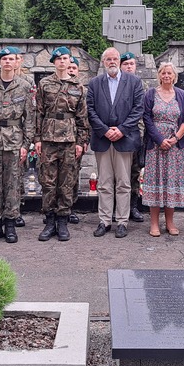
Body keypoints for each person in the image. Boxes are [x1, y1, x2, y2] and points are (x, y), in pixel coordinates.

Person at [0, 47, 35, 244]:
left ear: (16, 62)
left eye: (11, 59)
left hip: (15, 140)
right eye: (5, 59)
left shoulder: (24, 87)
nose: (8, 62)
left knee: (12, 184)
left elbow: (29, 118)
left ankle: (10, 224)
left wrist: (26, 144)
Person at [87, 47, 145, 239]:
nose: (112, 62)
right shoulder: (95, 83)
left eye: (115, 59)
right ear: (103, 62)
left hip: (124, 138)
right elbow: (90, 110)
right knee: (104, 183)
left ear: (119, 61)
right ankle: (104, 221)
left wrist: (121, 130)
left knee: (123, 183)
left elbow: (138, 109)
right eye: (108, 59)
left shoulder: (134, 82)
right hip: (103, 139)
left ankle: (122, 221)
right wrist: (105, 130)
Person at [36, 46, 89, 242]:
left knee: (67, 182)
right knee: (48, 182)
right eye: (58, 59)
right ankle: (50, 221)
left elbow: (82, 118)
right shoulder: (44, 84)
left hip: (69, 140)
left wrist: (81, 141)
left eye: (65, 58)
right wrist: (37, 139)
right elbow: (38, 113)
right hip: (49, 140)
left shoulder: (78, 87)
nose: (61, 62)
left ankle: (63, 220)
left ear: (70, 62)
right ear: (54, 63)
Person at [141, 62, 184, 236]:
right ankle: (154, 223)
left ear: (174, 76)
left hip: (175, 146)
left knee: (170, 183)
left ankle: (170, 222)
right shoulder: (151, 94)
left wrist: (175, 137)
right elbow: (146, 117)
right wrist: (159, 139)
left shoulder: (182, 95)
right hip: (155, 145)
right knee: (155, 182)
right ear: (159, 75)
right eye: (163, 73)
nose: (166, 76)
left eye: (169, 73)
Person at [120, 52, 147, 223]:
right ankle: (119, 208)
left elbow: (144, 112)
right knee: (119, 175)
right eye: (126, 64)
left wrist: (142, 134)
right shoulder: (115, 84)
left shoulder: (140, 85)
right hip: (120, 136)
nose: (129, 66)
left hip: (136, 135)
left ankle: (133, 207)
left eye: (132, 64)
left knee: (135, 173)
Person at [66, 56, 86, 224]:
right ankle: (52, 209)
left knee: (72, 175)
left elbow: (84, 119)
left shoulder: (81, 90)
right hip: (53, 139)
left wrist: (82, 141)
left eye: (74, 67)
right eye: (69, 67)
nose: (71, 70)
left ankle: (70, 207)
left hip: (73, 139)